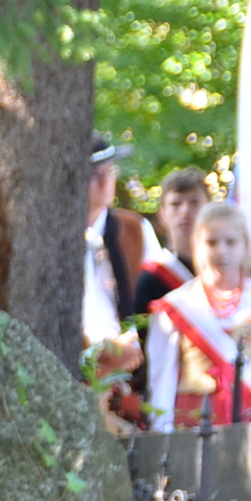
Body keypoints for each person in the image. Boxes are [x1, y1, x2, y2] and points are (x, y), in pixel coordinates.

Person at [148, 200, 251, 429]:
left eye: (231, 242)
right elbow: (161, 382)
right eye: (211, 242)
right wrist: (163, 432)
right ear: (196, 246)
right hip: (190, 428)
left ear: (245, 246)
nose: (221, 251)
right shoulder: (175, 306)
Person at [83, 132, 160, 381]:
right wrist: (99, 350)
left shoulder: (134, 228)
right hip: (78, 363)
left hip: (131, 368)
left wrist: (134, 340)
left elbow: (156, 298)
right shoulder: (55, 238)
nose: (105, 181)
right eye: (94, 175)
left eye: (110, 171)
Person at [135, 166, 208, 308]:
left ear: (209, 208)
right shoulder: (149, 280)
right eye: (175, 204)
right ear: (162, 215)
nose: (185, 211)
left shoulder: (224, 271)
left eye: (194, 202)